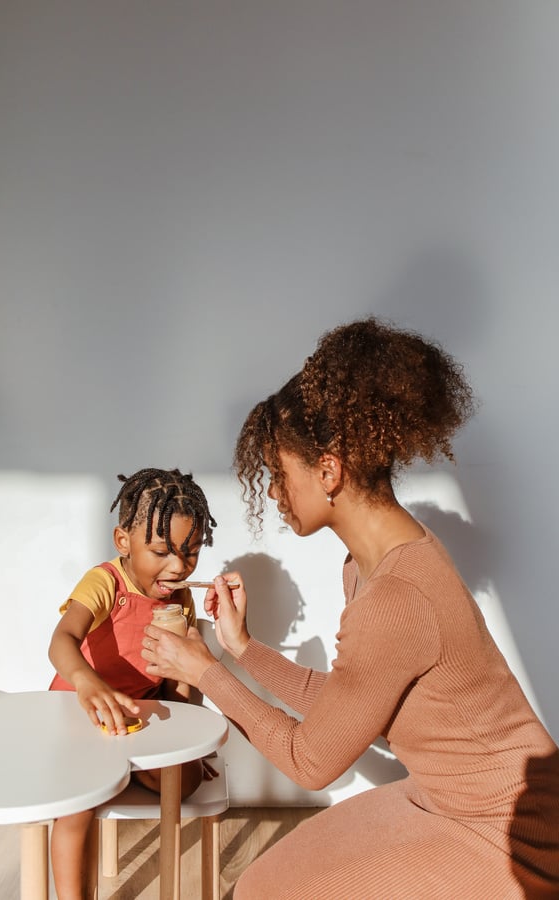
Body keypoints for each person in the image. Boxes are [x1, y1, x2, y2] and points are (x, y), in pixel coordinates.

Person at [141, 318, 559, 899]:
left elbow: (313, 761)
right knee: (257, 885)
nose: (273, 493)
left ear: (329, 472)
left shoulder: (396, 596)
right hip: (440, 797)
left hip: (512, 837)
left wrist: (203, 672)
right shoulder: (368, 568)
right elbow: (347, 707)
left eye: (280, 474)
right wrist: (241, 649)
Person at [48, 467, 217, 900]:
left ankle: (124, 770)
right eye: (161, 552)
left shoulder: (180, 597)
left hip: (137, 714)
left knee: (190, 781)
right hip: (80, 711)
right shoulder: (105, 581)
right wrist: (88, 684)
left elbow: (180, 680)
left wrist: (191, 739)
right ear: (123, 541)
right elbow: (61, 641)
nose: (179, 567)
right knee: (77, 806)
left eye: (191, 552)